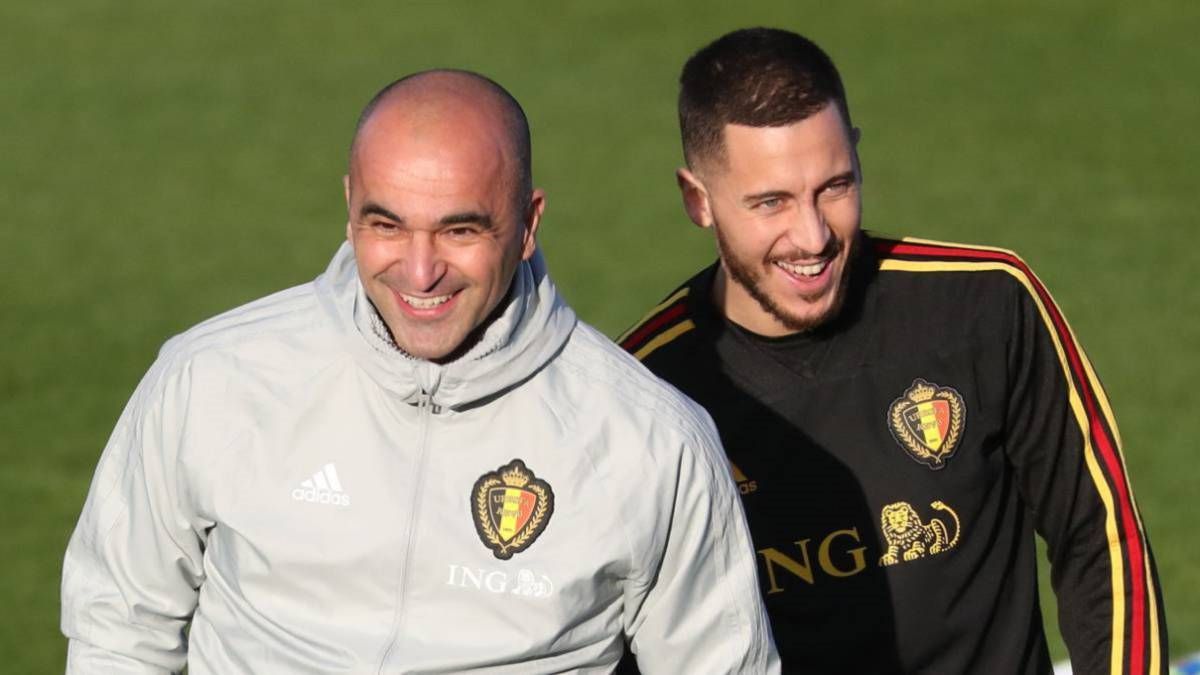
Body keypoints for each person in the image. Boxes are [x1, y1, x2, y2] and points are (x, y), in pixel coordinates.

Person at [61, 69, 778, 674]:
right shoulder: (210, 379)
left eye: (460, 229)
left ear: (528, 224)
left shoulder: (652, 440)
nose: (420, 269)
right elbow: (117, 627)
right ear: (349, 207)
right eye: (387, 224)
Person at [619, 28, 1167, 673]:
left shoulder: (985, 305)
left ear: (856, 152)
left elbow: (1100, 537)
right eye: (771, 203)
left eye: (835, 187)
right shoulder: (649, 388)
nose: (813, 236)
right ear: (698, 201)